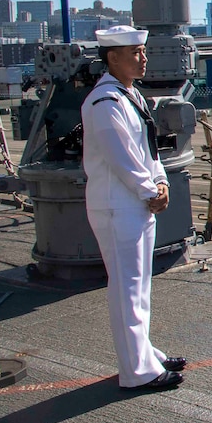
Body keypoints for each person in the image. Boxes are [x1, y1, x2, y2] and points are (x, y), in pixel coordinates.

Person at [81, 25, 184, 390]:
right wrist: (149, 190)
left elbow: (148, 150)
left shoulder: (130, 97)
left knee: (139, 287)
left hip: (135, 204)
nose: (144, 59)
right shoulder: (104, 103)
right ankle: (136, 372)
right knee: (127, 288)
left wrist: (162, 182)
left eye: (143, 51)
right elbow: (121, 158)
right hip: (117, 207)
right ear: (112, 57)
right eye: (136, 53)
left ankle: (144, 354)